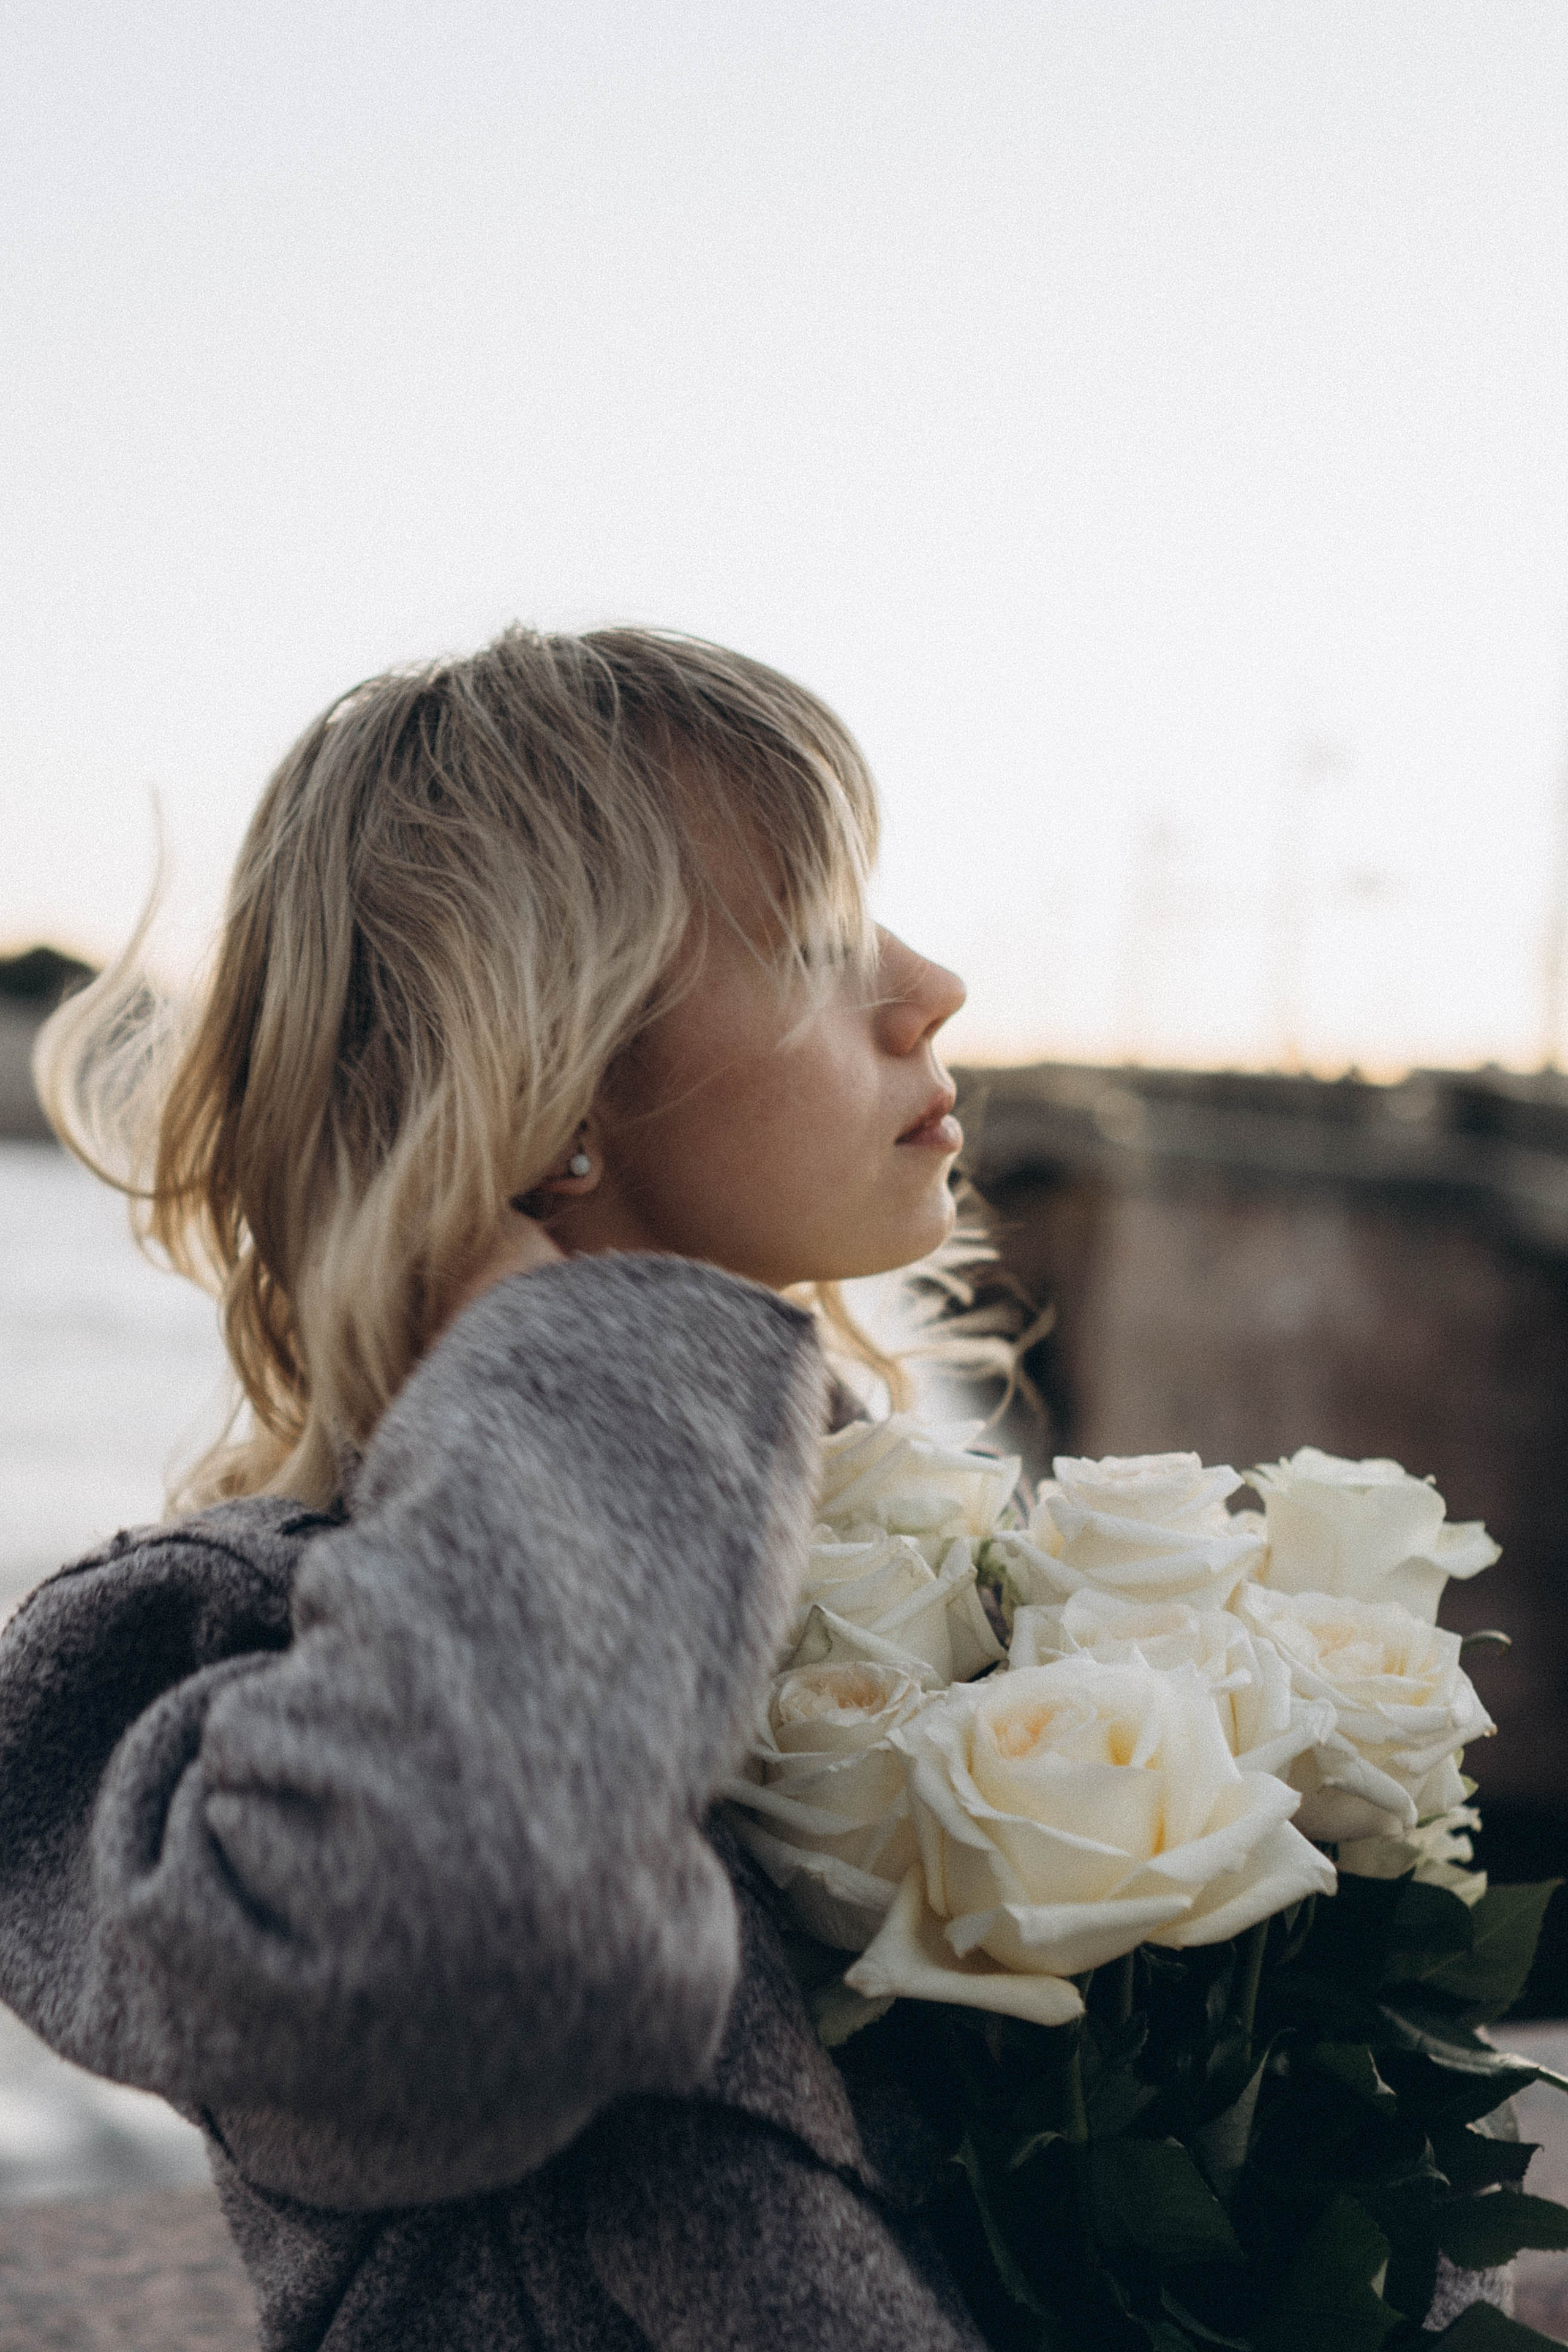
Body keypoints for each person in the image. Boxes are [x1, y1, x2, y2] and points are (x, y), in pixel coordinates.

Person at [0, 627, 988, 2351]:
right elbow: (468, 1952)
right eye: (823, 938)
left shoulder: (909, 1552)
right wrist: (574, 1362)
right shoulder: (210, 1641)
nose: (933, 985)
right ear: (560, 1078)